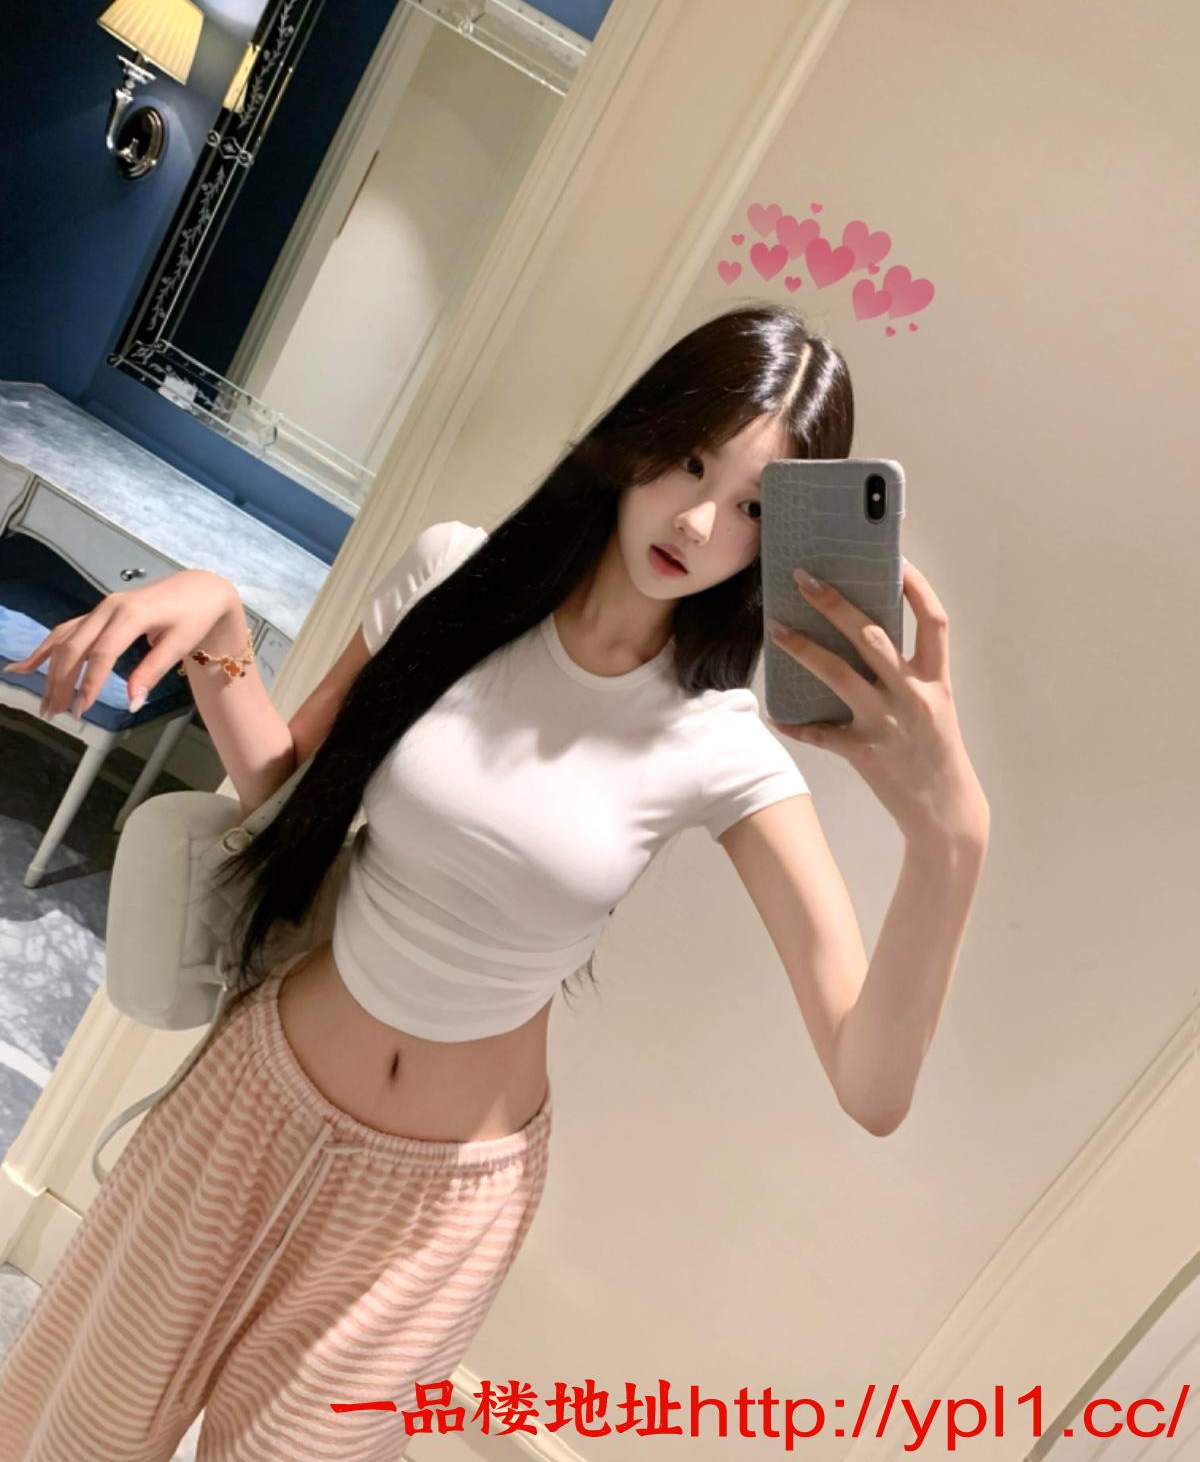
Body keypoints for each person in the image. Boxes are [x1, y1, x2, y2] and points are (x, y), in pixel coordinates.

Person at [0, 303, 989, 1460]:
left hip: (429, 1213)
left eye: (756, 509)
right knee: (79, 1431)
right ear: (640, 434)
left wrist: (951, 837)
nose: (700, 519)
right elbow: (283, 787)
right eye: (690, 460)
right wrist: (221, 617)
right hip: (251, 1099)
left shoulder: (721, 745)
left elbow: (871, 1082)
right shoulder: (451, 575)